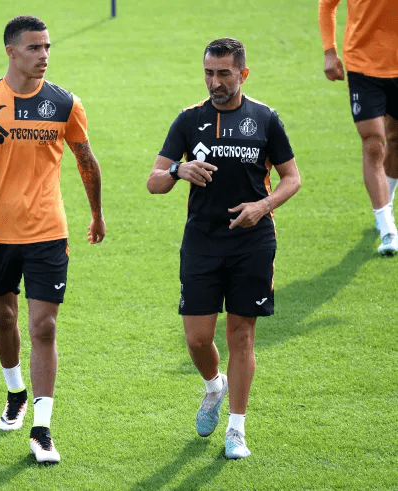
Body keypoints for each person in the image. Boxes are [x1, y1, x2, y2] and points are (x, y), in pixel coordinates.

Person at [0, 15, 105, 463]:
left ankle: (42, 429)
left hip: (47, 232)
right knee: (3, 319)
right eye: (34, 48)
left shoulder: (65, 103)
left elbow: (87, 161)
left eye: (47, 47)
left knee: (44, 326)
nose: (43, 55)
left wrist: (96, 214)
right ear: (11, 51)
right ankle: (15, 391)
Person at [147, 38, 300, 459]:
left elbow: (292, 178)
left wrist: (262, 206)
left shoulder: (265, 119)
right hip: (201, 242)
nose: (215, 82)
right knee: (197, 339)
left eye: (224, 73)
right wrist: (179, 169)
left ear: (243, 74)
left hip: (253, 241)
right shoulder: (189, 120)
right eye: (209, 73)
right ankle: (215, 386)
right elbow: (154, 181)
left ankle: (237, 430)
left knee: (241, 335)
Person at [319, 0, 398, 255]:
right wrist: (330, 52)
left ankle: (386, 199)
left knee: (395, 141)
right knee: (374, 144)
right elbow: (327, 5)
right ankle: (388, 229)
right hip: (362, 67)